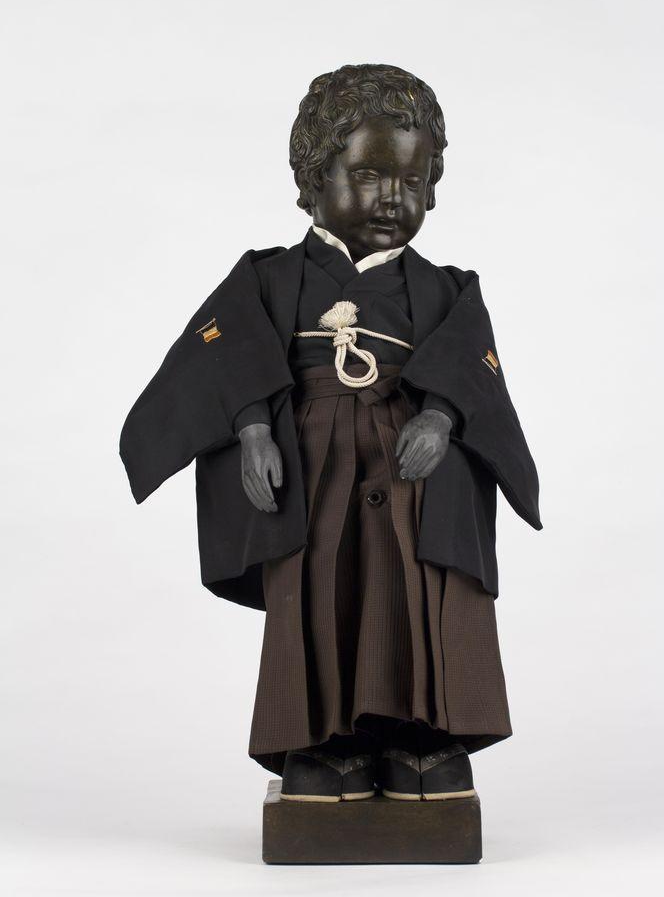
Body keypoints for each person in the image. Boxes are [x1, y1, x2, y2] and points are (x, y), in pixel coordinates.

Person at [120, 63, 541, 804]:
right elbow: (225, 349)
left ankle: (424, 739)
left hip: (415, 469)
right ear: (315, 179)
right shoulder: (268, 277)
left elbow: (471, 366)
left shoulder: (449, 288)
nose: (393, 198)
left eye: (412, 181)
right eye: (369, 175)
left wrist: (440, 417)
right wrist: (254, 429)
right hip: (310, 468)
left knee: (419, 590)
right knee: (318, 591)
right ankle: (322, 745)